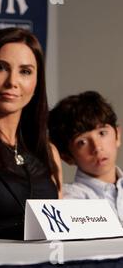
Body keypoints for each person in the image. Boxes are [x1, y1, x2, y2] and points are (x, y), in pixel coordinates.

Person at [0, 27, 62, 231]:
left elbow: (61, 226)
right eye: (0, 67)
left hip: (47, 261)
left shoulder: (48, 150)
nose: (12, 82)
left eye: (25, 71)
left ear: (37, 82)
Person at [48, 91, 123, 224]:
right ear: (67, 157)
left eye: (102, 133)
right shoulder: (69, 200)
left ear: (117, 135)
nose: (97, 147)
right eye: (82, 142)